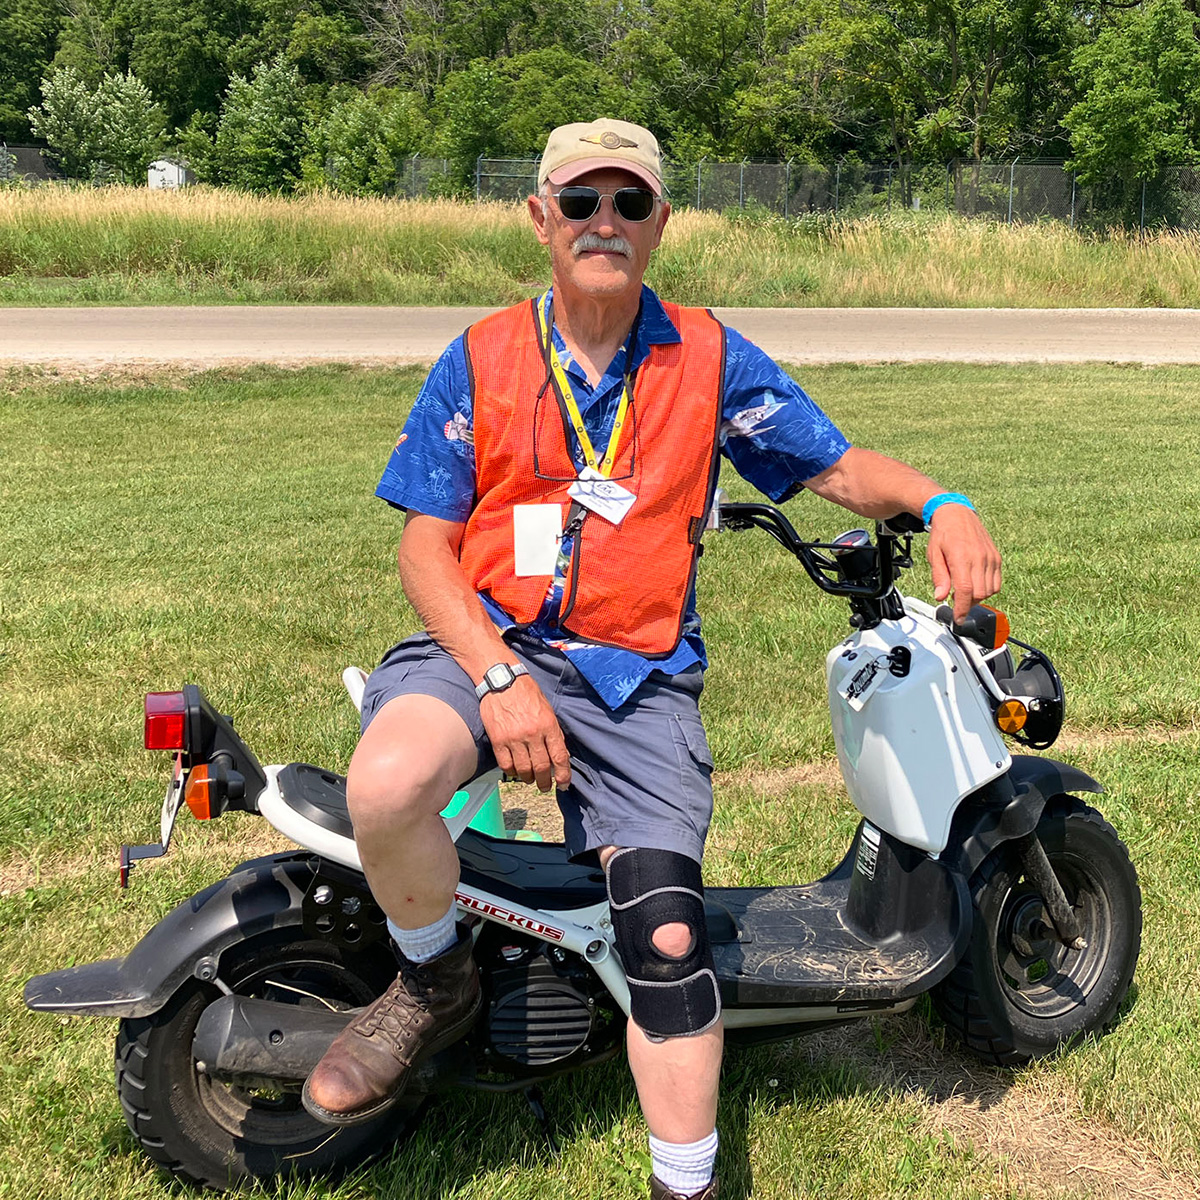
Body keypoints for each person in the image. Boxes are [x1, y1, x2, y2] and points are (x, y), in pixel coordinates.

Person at [302, 117, 1001, 1198]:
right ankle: (431, 981)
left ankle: (691, 1185)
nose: (605, 223)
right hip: (490, 644)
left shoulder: (707, 355)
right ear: (541, 218)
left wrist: (940, 499)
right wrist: (497, 677)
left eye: (631, 203)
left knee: (670, 939)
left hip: (636, 677)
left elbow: (829, 462)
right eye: (581, 202)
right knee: (387, 782)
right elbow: (423, 545)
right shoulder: (482, 358)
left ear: (661, 223)